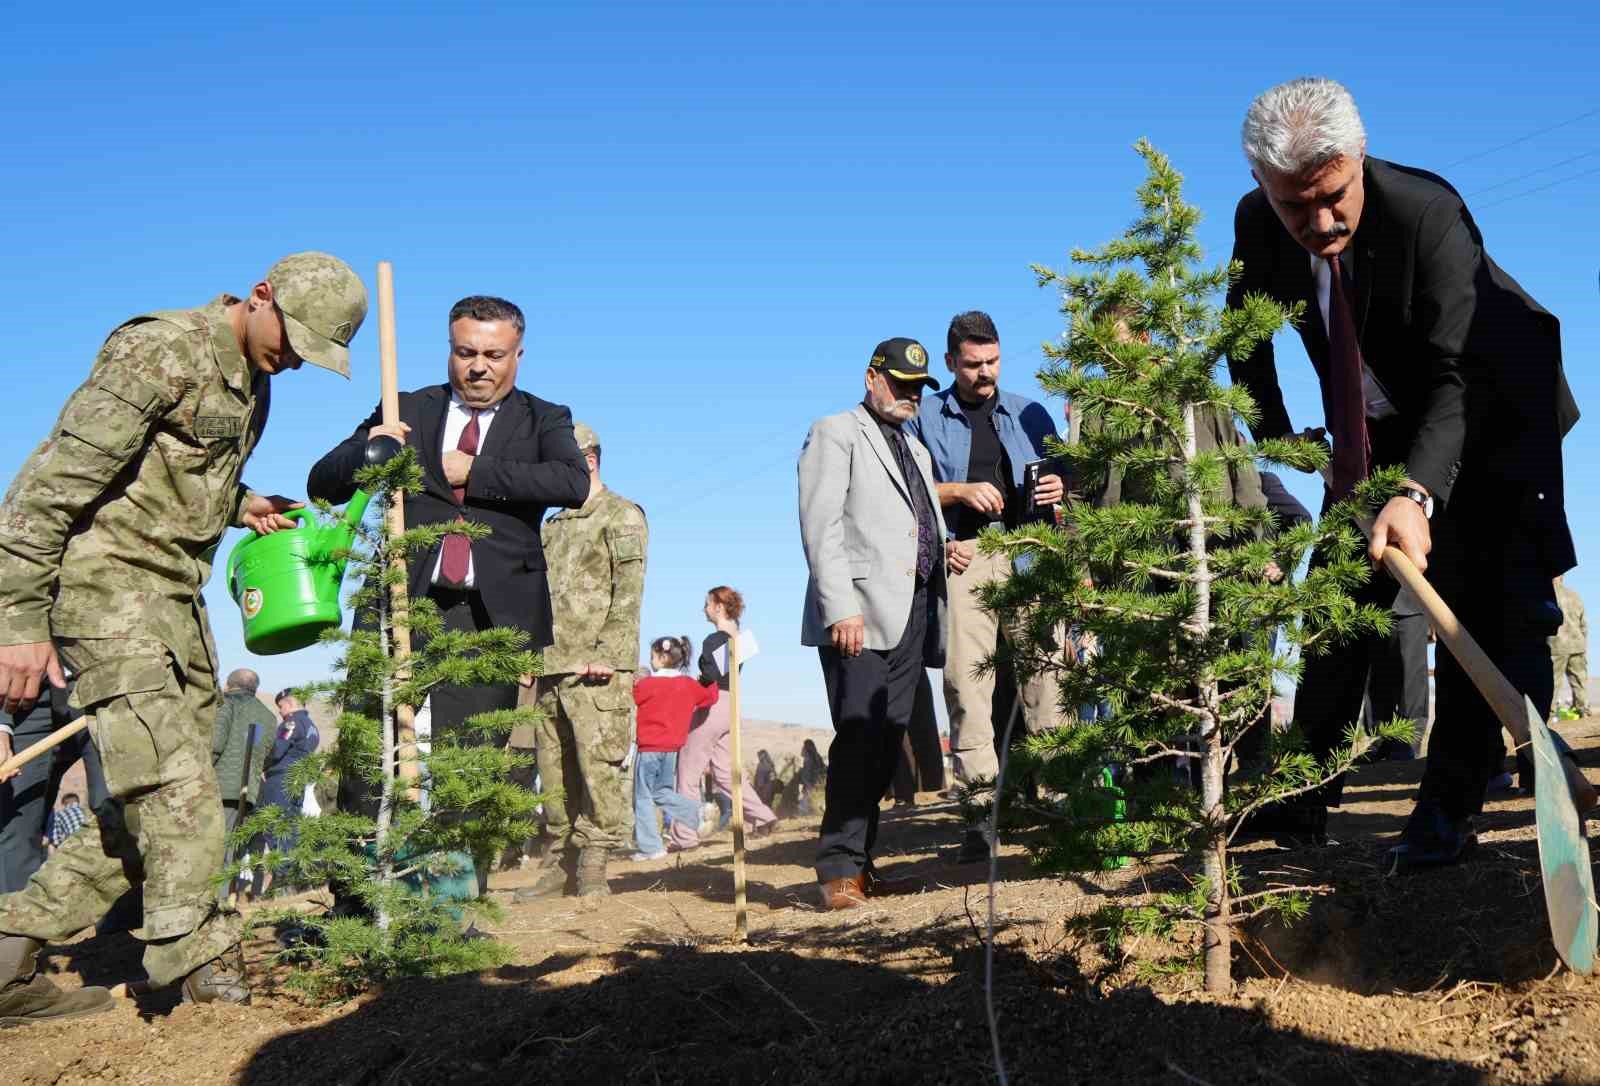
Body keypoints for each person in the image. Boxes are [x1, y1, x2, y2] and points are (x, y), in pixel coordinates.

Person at [0, 251, 367, 1021]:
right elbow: (49, 486)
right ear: (260, 294)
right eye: (291, 338)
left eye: (310, 353)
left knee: (146, 807)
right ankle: (195, 968)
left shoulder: (255, 378)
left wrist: (243, 504)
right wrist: (18, 621)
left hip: (175, 602)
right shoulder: (161, 348)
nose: (293, 360)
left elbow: (174, 475)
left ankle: (5, 953)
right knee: (177, 790)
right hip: (108, 597)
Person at [1225, 78, 1578, 869]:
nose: (1320, 223)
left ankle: (1447, 810)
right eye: (1295, 206)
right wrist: (1285, 437)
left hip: (1497, 408)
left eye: (1333, 196)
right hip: (1376, 433)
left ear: (1358, 155)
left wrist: (1417, 494)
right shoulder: (1257, 220)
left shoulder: (1425, 213)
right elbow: (1244, 338)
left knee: (1484, 605)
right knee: (1337, 607)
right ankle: (1297, 803)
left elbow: (1460, 374)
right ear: (1261, 184)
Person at [307, 294, 590, 891]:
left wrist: (472, 472)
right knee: (370, 747)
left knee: (472, 760)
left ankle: (454, 903)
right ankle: (358, 903)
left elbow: (571, 483)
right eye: (466, 353)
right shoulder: (406, 406)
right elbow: (322, 481)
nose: (479, 367)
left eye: (494, 354)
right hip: (401, 604)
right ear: (450, 351)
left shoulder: (545, 419)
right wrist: (371, 447)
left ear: (518, 354)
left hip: (491, 613)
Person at [905, 311, 1069, 861]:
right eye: (973, 364)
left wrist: (1058, 487)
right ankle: (979, 816)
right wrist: (958, 492)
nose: (985, 373)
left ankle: (1056, 804)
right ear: (951, 362)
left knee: (1048, 680)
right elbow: (908, 485)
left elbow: (1072, 476)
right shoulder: (925, 415)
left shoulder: (1031, 412)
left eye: (993, 361)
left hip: (1031, 555)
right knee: (967, 686)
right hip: (965, 558)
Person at [798, 337, 948, 909]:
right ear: (872, 377)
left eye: (918, 387)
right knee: (859, 737)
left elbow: (909, 525)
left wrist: (942, 548)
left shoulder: (915, 448)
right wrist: (841, 607)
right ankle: (837, 870)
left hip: (911, 610)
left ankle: (863, 870)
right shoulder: (835, 431)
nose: (909, 395)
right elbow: (822, 524)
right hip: (856, 614)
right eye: (900, 383)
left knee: (889, 744)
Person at [516, 422, 648, 900]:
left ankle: (594, 864)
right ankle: (559, 863)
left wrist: (608, 656)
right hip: (551, 666)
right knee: (553, 773)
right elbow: (537, 595)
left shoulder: (621, 515)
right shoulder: (552, 525)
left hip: (597, 671)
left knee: (598, 770)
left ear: (588, 460)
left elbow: (628, 594)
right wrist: (528, 652)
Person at [668, 587, 779, 851]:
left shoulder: (714, 639)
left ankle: (684, 836)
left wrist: (699, 678)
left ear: (719, 607)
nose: (704, 608)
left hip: (713, 703)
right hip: (732, 703)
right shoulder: (738, 638)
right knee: (726, 772)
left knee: (687, 770)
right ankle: (763, 817)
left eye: (707, 603)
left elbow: (709, 673)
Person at [630, 636, 716, 861]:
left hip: (649, 749)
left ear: (662, 657)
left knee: (643, 796)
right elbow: (708, 698)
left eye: (652, 657)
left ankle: (651, 848)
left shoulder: (646, 685)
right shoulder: (688, 685)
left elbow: (632, 697)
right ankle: (696, 813)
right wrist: (710, 681)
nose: (651, 661)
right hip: (672, 749)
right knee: (662, 791)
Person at [212, 669, 274, 838]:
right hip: (247, 792)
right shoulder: (268, 716)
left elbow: (215, 745)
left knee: (214, 846)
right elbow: (266, 754)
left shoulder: (226, 704)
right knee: (231, 846)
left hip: (218, 787)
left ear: (227, 684)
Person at [1552, 576, 1589, 718]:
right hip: (1577, 643)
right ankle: (1583, 710)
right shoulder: (1574, 595)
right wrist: (1583, 641)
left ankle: (1551, 713)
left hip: (1556, 645)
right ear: (1562, 577)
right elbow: (1583, 624)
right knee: (1580, 680)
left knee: (1554, 682)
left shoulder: (1548, 594)